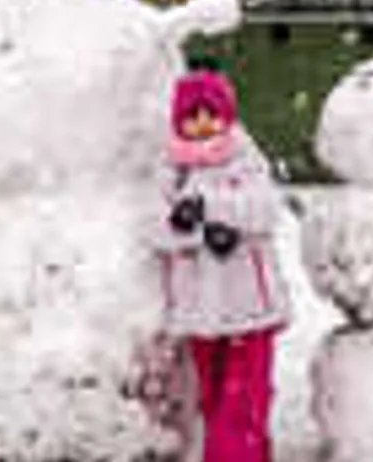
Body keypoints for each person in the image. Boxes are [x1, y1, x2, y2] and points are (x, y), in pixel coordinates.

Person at [150, 69, 291, 462]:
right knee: (214, 399)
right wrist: (194, 232)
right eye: (191, 116)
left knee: (244, 400)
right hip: (202, 311)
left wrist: (216, 211)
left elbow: (265, 209)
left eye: (210, 113)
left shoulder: (244, 156)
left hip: (249, 307)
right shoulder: (171, 169)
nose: (202, 123)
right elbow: (156, 228)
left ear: (226, 115)